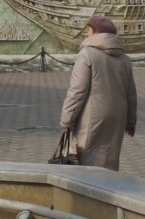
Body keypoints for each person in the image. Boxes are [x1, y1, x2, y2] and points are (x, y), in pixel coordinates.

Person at [59, 14, 137, 171]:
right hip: (117, 117)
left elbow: (77, 91)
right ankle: (108, 191)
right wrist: (130, 121)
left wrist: (66, 120)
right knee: (109, 159)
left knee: (87, 161)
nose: (87, 34)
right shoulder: (124, 58)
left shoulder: (87, 54)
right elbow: (131, 93)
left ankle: (90, 193)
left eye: (89, 30)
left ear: (95, 32)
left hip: (92, 117)